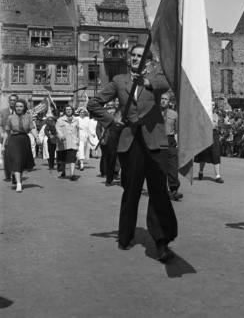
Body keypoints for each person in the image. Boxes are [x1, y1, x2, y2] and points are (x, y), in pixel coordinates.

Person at [87, 44, 177, 262]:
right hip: (130, 144)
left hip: (154, 143)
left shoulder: (156, 75)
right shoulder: (119, 80)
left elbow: (164, 84)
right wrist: (111, 121)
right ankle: (125, 237)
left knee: (158, 192)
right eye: (134, 56)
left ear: (148, 60)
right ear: (130, 59)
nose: (136, 58)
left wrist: (144, 81)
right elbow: (94, 103)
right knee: (131, 191)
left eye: (141, 56)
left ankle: (161, 243)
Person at [2, 99, 39, 192]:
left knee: (21, 162)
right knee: (17, 160)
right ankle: (19, 183)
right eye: (17, 106)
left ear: (24, 107)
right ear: (15, 107)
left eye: (21, 106)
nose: (19, 108)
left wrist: (37, 138)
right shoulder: (10, 118)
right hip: (13, 140)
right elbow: (7, 132)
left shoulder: (28, 117)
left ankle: (17, 177)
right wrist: (3, 145)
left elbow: (32, 128)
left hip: (24, 140)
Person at [194, 101, 224, 183]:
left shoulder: (217, 115)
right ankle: (200, 171)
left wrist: (220, 133)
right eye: (211, 104)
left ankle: (218, 176)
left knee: (216, 154)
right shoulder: (202, 114)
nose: (212, 106)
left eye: (214, 105)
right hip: (205, 134)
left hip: (214, 134)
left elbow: (220, 126)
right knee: (204, 154)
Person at [160, 93, 182, 201]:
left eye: (165, 99)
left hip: (170, 140)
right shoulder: (154, 113)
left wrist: (177, 143)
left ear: (169, 101)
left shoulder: (174, 114)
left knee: (173, 166)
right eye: (162, 99)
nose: (163, 101)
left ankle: (174, 190)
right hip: (158, 141)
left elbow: (177, 130)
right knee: (159, 166)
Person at [56, 105, 80, 181]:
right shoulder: (60, 120)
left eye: (70, 109)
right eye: (67, 109)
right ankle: (63, 172)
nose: (68, 111)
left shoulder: (76, 120)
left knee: (72, 158)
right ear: (64, 111)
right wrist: (61, 136)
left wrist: (78, 140)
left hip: (73, 142)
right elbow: (57, 129)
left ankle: (72, 174)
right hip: (64, 142)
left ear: (72, 110)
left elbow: (78, 131)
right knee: (63, 159)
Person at [0, 94, 19, 182]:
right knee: (6, 157)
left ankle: (14, 174)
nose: (12, 102)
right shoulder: (3, 112)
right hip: (5, 138)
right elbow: (0, 125)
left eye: (14, 100)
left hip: (16, 138)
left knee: (15, 157)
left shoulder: (20, 111)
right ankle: (8, 175)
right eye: (11, 100)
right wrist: (2, 133)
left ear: (17, 101)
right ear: (9, 101)